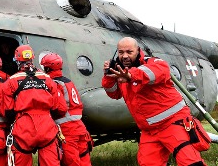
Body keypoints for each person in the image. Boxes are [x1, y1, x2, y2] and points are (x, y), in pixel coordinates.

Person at [102, 37, 208, 166]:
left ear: (138, 51)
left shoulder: (154, 63)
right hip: (149, 131)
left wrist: (131, 75)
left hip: (173, 123)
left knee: (190, 162)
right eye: (121, 52)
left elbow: (157, 72)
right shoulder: (120, 72)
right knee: (148, 163)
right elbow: (114, 94)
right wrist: (108, 75)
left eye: (129, 52)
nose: (124, 56)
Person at [2, 44, 67, 166]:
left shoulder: (11, 81)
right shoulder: (47, 79)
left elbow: (8, 111)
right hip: (47, 126)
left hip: (23, 127)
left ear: (17, 60)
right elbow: (58, 107)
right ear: (32, 58)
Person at [41, 52, 93, 166]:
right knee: (84, 159)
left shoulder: (53, 83)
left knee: (71, 161)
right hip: (80, 126)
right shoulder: (68, 81)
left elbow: (58, 107)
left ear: (47, 68)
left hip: (67, 129)